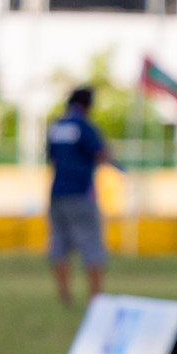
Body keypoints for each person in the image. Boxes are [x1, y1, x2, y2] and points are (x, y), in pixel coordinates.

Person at [46, 85, 120, 308]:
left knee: (58, 246)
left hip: (57, 193)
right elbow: (101, 153)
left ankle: (65, 298)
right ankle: (96, 300)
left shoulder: (56, 126)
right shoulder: (84, 127)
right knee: (91, 246)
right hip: (80, 194)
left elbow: (51, 159)